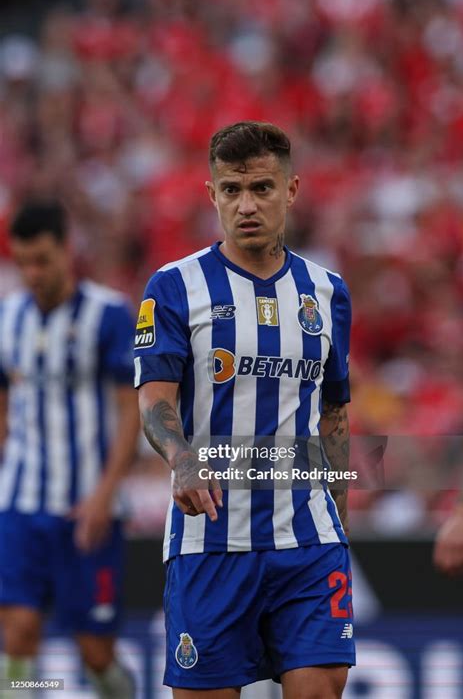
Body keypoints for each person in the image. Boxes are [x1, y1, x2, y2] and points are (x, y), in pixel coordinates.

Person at [135, 121, 355, 699]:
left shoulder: (328, 292)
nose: (246, 204)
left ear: (292, 190)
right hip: (210, 542)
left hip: (308, 539)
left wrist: (342, 516)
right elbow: (155, 399)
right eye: (231, 190)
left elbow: (334, 413)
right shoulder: (174, 286)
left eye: (261, 187)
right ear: (212, 195)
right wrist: (181, 457)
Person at [0, 200, 139, 698]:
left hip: (88, 507)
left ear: (66, 250)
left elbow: (131, 411)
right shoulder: (6, 317)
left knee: (94, 653)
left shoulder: (109, 314)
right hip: (19, 503)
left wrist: (105, 494)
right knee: (18, 635)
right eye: (22, 262)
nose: (32, 273)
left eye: (42, 259)